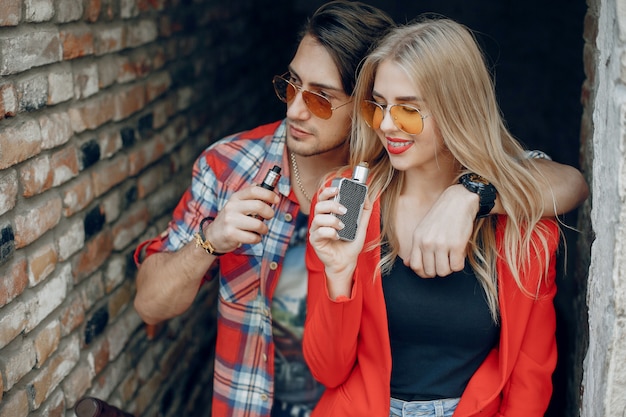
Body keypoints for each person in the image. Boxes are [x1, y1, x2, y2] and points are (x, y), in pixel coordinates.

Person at [133, 2, 587, 417]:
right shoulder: (263, 173)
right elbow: (150, 306)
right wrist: (213, 241)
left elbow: (565, 183)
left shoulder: (492, 205)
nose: (294, 109)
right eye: (291, 86)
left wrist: (470, 194)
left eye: (320, 96)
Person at [304, 17, 568, 417]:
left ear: (456, 111)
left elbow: (529, 381)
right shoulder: (347, 200)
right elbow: (327, 370)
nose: (387, 125)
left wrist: (468, 197)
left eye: (409, 110)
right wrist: (338, 276)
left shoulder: (523, 230)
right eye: (379, 106)